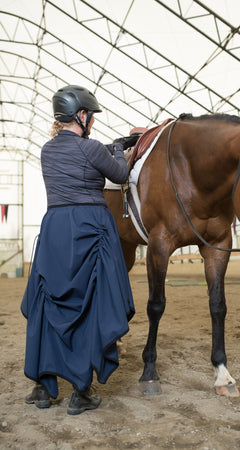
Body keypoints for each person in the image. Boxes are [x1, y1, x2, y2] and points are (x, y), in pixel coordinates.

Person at [21, 85, 140, 415]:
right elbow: (120, 173)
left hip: (56, 227)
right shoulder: (93, 149)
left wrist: (107, 148)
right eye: (91, 116)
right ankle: (80, 393)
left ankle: (44, 389)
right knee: (89, 308)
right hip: (90, 225)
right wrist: (118, 150)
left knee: (48, 305)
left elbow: (74, 161)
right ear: (82, 115)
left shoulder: (47, 150)